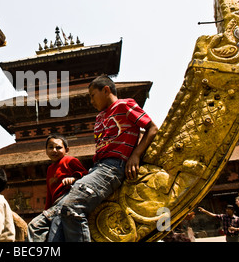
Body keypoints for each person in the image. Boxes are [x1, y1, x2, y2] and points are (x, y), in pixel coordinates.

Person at [48, 75, 158, 242]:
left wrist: (135, 155)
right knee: (60, 210)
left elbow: (152, 128)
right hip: (97, 168)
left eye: (92, 95)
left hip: (113, 166)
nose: (91, 101)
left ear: (106, 89)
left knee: (72, 206)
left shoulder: (124, 105)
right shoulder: (99, 118)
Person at [27, 134, 87, 242]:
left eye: (59, 147)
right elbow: (50, 194)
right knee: (42, 229)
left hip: (66, 199)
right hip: (54, 206)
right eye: (50, 147)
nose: (54, 150)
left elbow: (85, 174)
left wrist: (73, 178)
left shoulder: (70, 160)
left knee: (39, 227)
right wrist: (45, 211)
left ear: (66, 150)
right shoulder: (50, 169)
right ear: (46, 151)